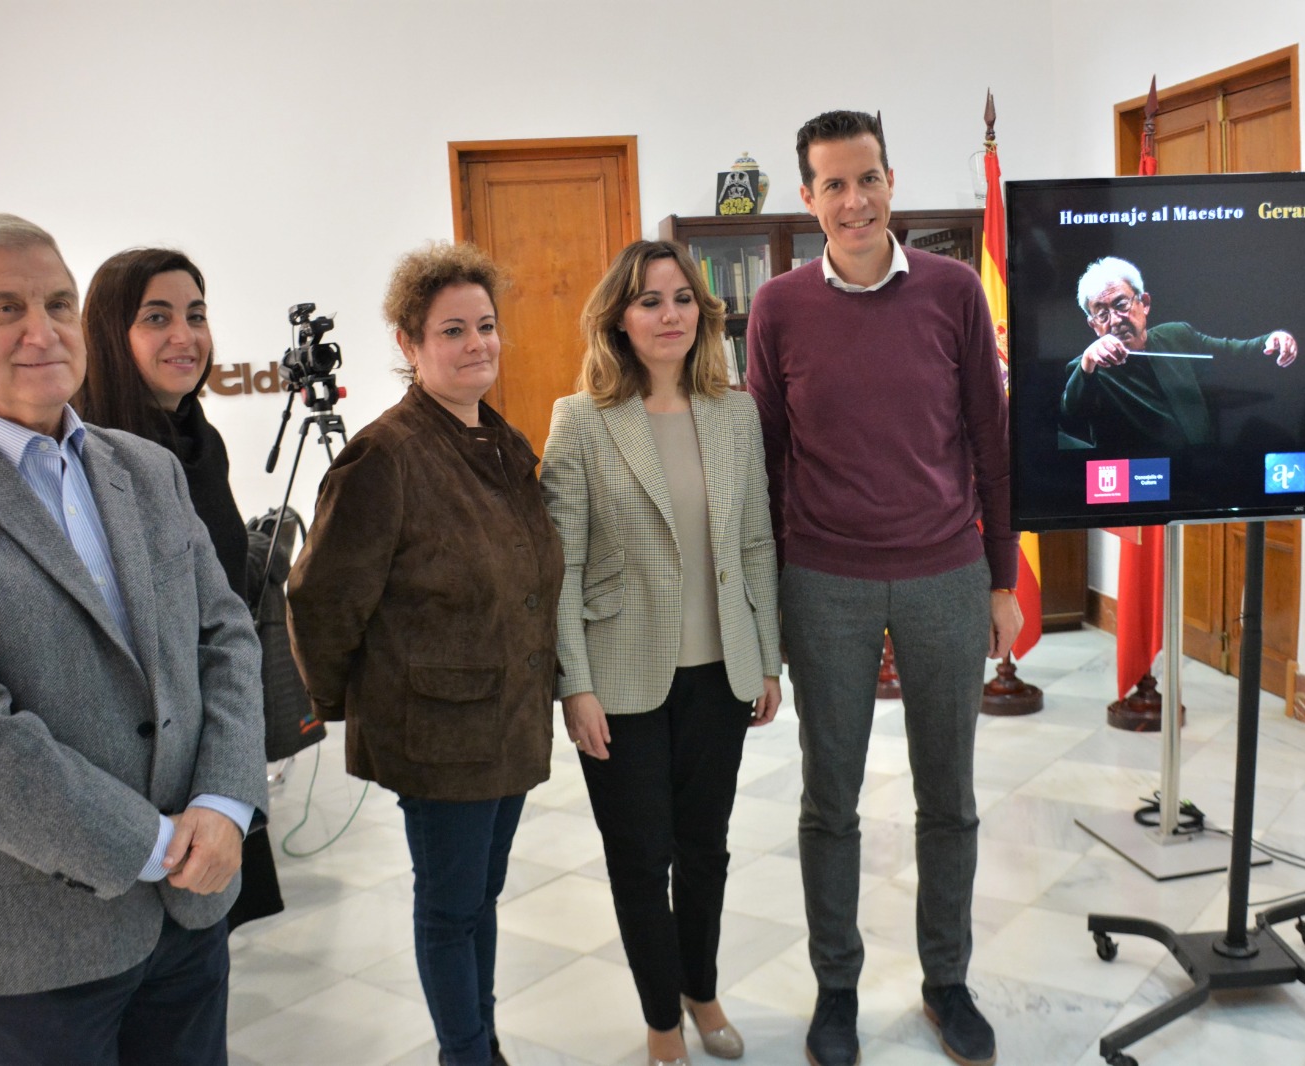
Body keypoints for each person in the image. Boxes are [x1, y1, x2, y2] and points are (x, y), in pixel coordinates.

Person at [0, 213, 266, 1066]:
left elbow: (225, 636)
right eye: (5, 308)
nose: (42, 331)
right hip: (37, 944)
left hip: (190, 910)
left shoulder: (143, 468)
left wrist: (226, 805)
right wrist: (154, 845)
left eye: (58, 303)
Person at [745, 111, 1020, 1066]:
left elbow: (992, 440)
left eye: (867, 179)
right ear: (809, 198)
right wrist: (771, 602)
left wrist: (1002, 578)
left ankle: (947, 980)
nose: (853, 200)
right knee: (832, 803)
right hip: (825, 582)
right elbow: (767, 463)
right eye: (833, 185)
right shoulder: (778, 308)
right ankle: (837, 989)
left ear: (892, 181)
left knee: (951, 798)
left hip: (947, 572)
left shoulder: (950, 291)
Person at [287, 241, 560, 1066]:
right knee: (450, 907)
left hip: (508, 720)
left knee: (480, 898)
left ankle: (477, 1038)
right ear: (409, 345)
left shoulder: (500, 442)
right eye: (453, 331)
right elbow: (319, 596)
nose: (477, 343)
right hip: (438, 730)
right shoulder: (386, 454)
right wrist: (348, 702)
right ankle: (466, 1053)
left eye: (486, 326)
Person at [541, 240, 782, 1066]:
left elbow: (756, 544)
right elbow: (560, 566)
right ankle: (661, 1017)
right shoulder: (581, 420)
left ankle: (702, 988)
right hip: (620, 679)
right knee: (641, 859)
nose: (669, 314)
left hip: (721, 672)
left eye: (683, 299)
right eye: (650, 301)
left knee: (703, 847)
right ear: (619, 318)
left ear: (703, 313)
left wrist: (770, 660)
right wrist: (574, 684)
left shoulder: (735, 411)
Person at [76, 246, 285, 931]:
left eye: (195, 314)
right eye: (156, 317)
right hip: (143, 760)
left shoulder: (200, 438)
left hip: (213, 731)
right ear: (110, 333)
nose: (184, 336)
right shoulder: (94, 453)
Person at [1059, 255, 1299, 450]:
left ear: (1145, 303)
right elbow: (1070, 420)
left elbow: (1232, 351)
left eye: (1121, 305)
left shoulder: (1177, 336)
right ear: (1094, 325)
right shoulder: (1086, 369)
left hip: (1203, 469)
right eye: (1102, 314)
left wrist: (1272, 339)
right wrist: (1089, 363)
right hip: (1137, 485)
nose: (1115, 320)